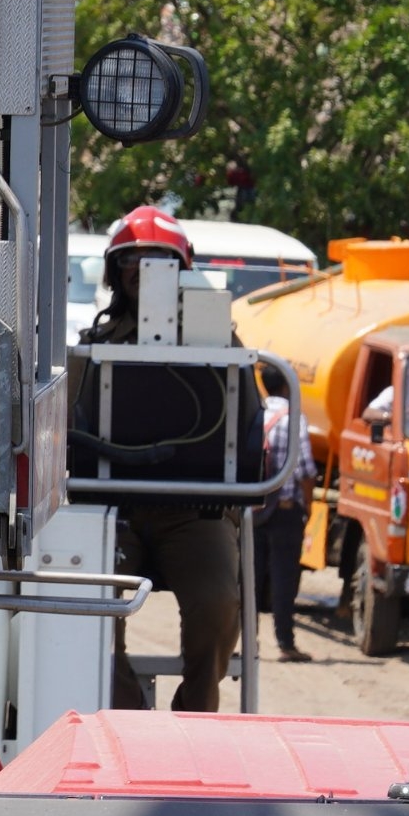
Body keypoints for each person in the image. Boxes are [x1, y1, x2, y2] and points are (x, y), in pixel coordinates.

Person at [71, 205, 256, 711]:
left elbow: (247, 431)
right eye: (132, 259)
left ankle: (195, 717)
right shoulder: (95, 349)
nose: (144, 270)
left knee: (218, 605)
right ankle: (129, 714)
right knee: (86, 607)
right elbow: (74, 433)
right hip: (115, 514)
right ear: (114, 271)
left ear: (183, 270)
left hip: (197, 513)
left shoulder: (222, 348)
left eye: (159, 259)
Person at [259, 380, 316, 663]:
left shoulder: (256, 413)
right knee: (284, 579)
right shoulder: (294, 419)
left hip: (253, 509)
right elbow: (305, 469)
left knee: (249, 579)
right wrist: (308, 506)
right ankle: (285, 643)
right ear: (285, 385)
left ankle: (244, 644)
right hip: (284, 511)